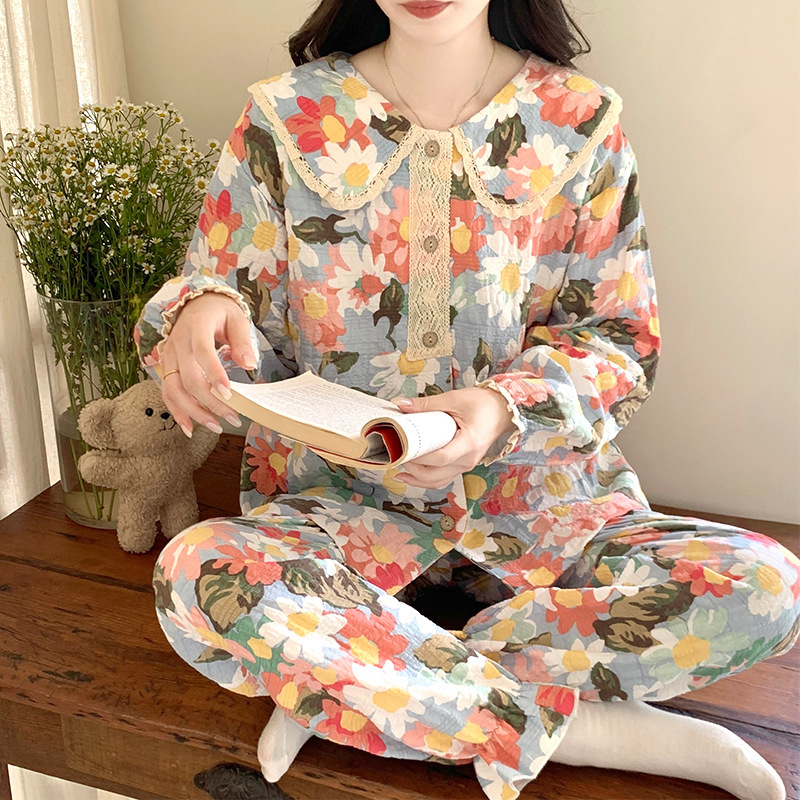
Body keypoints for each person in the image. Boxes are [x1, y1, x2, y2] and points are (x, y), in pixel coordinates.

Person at [134, 1, 800, 798]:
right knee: (199, 570)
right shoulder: (285, 117)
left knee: (766, 588)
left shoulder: (579, 121)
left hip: (543, 521)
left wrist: (497, 410)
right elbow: (228, 317)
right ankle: (587, 732)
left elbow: (619, 341)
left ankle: (365, 685)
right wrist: (201, 311)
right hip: (339, 526)